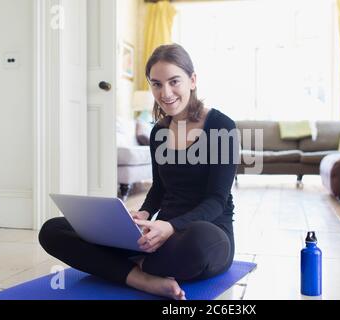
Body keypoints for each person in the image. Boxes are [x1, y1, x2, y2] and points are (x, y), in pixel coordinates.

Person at [38, 44, 238, 300]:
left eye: (174, 81)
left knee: (198, 244)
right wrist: (143, 213)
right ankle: (143, 279)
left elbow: (217, 200)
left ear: (192, 80)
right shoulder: (159, 132)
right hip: (156, 235)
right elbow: (159, 189)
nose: (165, 93)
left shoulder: (222, 127)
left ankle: (122, 266)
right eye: (156, 84)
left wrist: (171, 227)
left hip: (203, 234)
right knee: (53, 230)